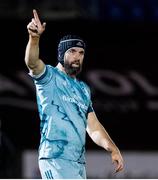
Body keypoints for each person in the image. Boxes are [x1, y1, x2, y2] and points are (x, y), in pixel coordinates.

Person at [24, 9, 124, 179]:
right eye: (72, 51)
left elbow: (93, 127)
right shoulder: (49, 76)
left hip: (77, 162)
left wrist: (112, 148)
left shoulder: (83, 90)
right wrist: (34, 39)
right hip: (54, 158)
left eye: (81, 52)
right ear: (62, 54)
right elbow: (32, 63)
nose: (78, 56)